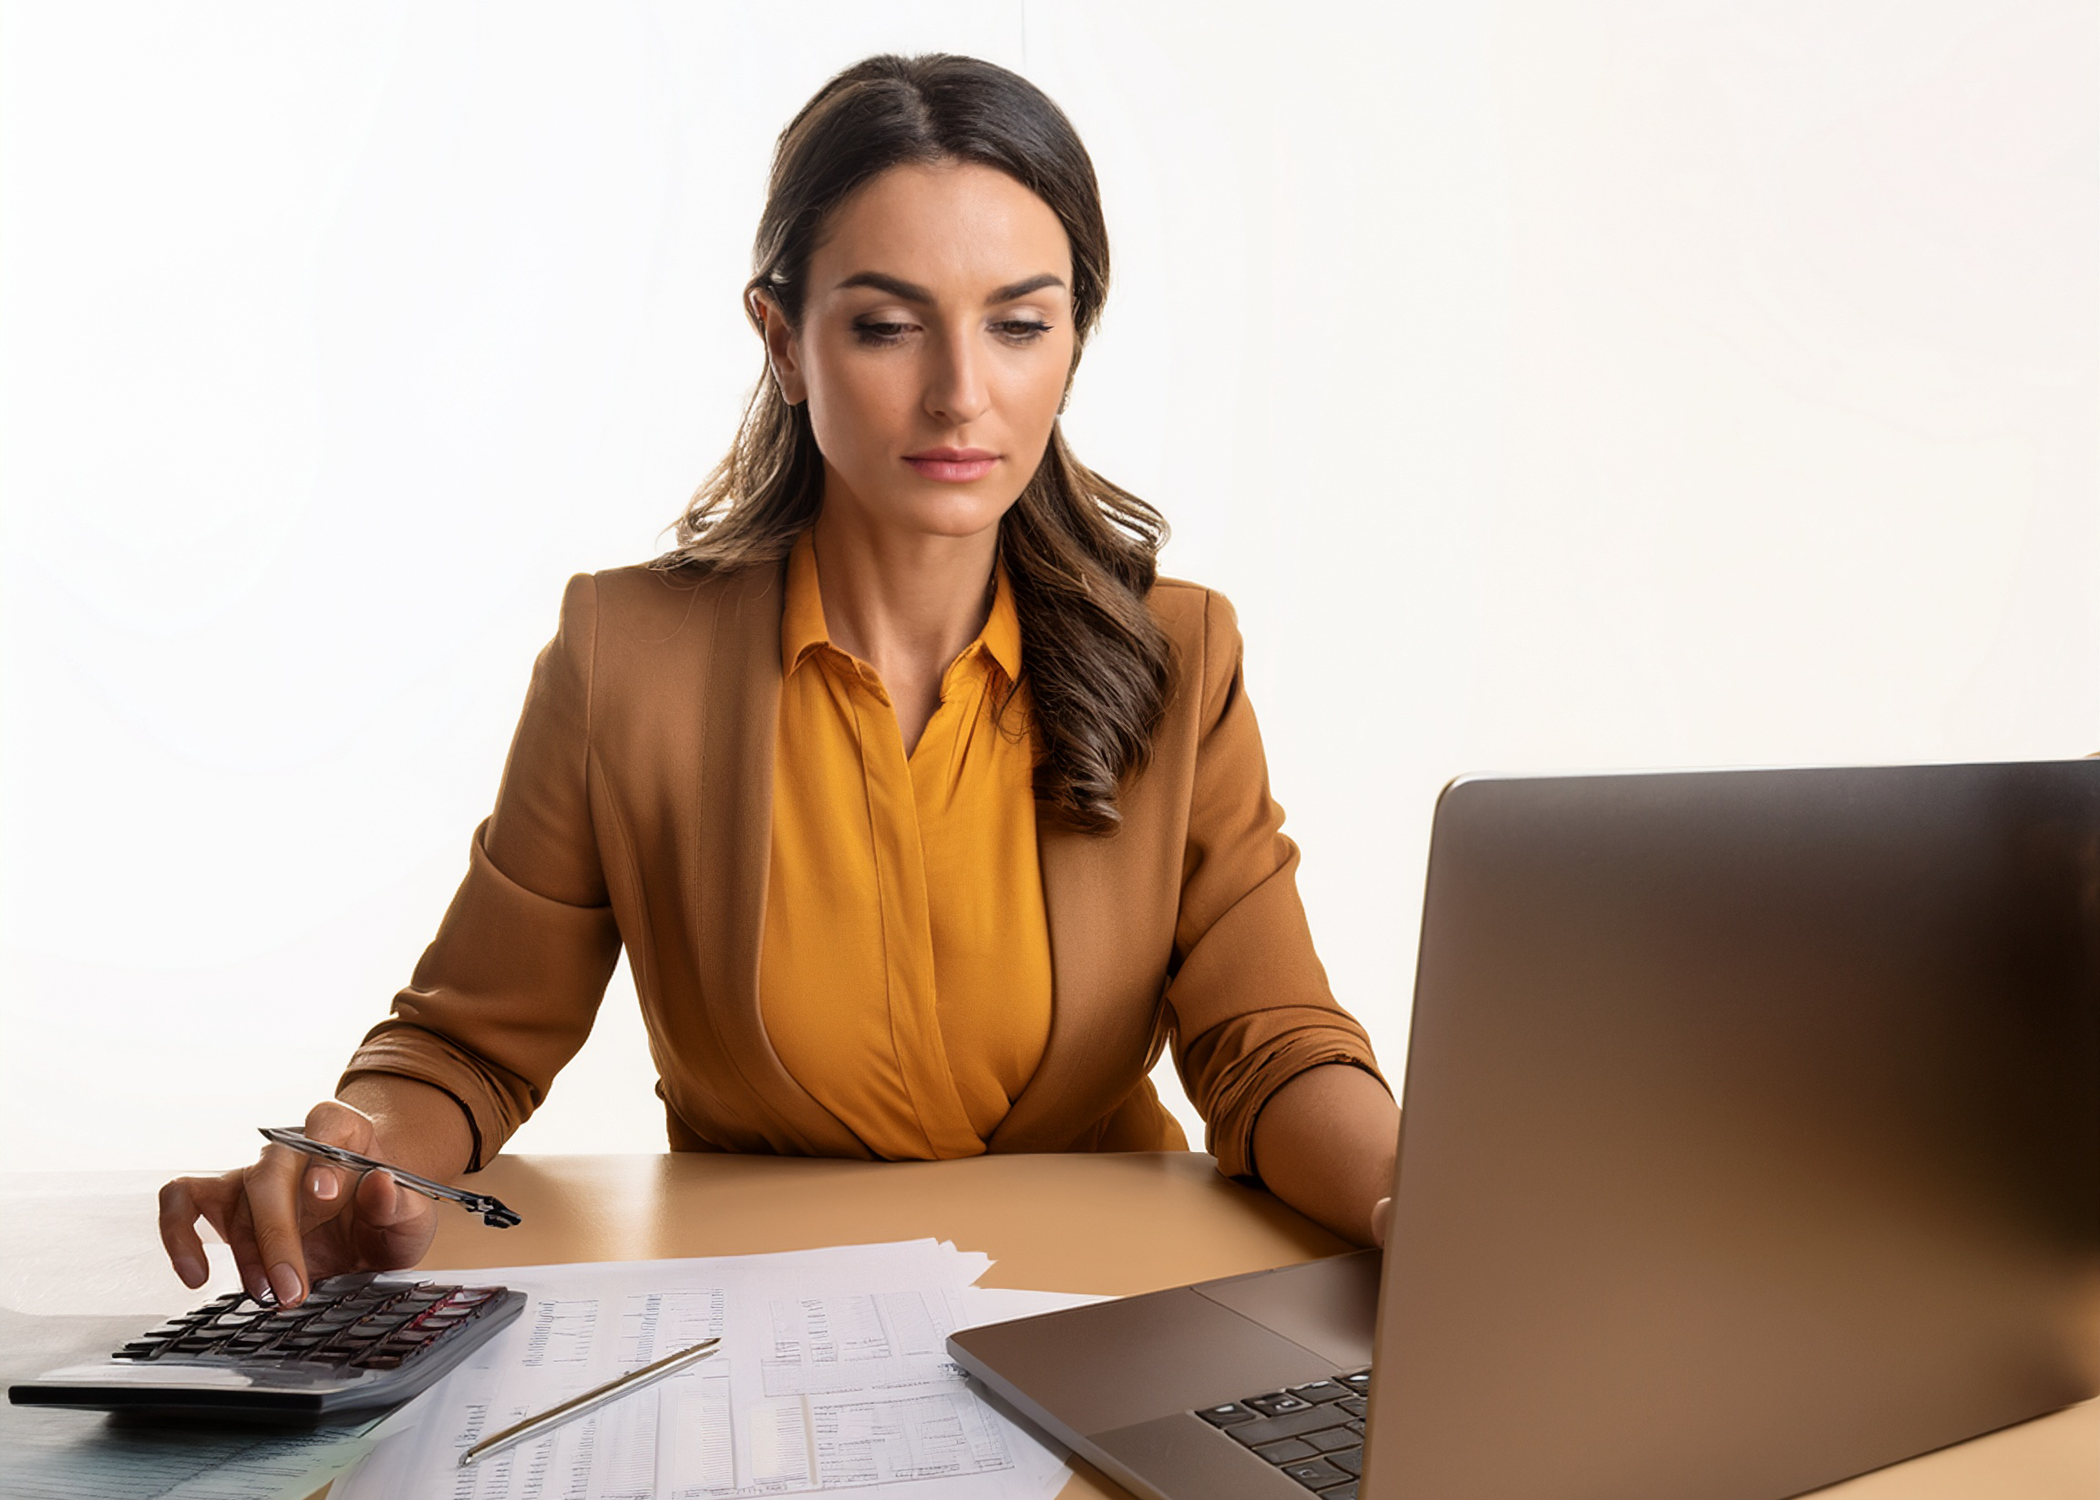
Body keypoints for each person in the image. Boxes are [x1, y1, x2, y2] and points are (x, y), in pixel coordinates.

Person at [157, 52, 1399, 1309]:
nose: (962, 393)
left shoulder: (1179, 657)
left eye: (1020, 324)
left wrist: (1421, 1197)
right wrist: (351, 1165)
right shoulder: (623, 660)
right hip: (770, 1330)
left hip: (1105, 1316)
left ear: (1073, 340)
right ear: (784, 341)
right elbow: (470, 1044)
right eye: (885, 325)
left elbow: (1271, 1050)